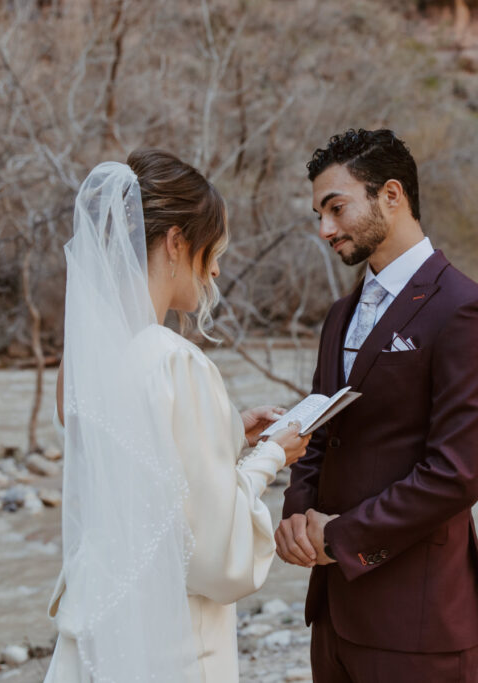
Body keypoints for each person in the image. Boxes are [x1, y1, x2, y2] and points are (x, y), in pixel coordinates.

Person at [44, 149, 310, 683]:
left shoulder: (83, 364)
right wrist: (269, 459)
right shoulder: (173, 359)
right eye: (212, 250)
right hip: (172, 640)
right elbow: (210, 551)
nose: (215, 268)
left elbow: (141, 476)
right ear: (175, 243)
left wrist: (229, 429)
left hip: (101, 626)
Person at [276, 129, 478, 683]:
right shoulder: (340, 315)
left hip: (417, 619)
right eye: (319, 213)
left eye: (336, 208)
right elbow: (319, 427)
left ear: (391, 195)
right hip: (334, 611)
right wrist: (295, 515)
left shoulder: (470, 312)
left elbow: (456, 474)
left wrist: (340, 538)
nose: (324, 229)